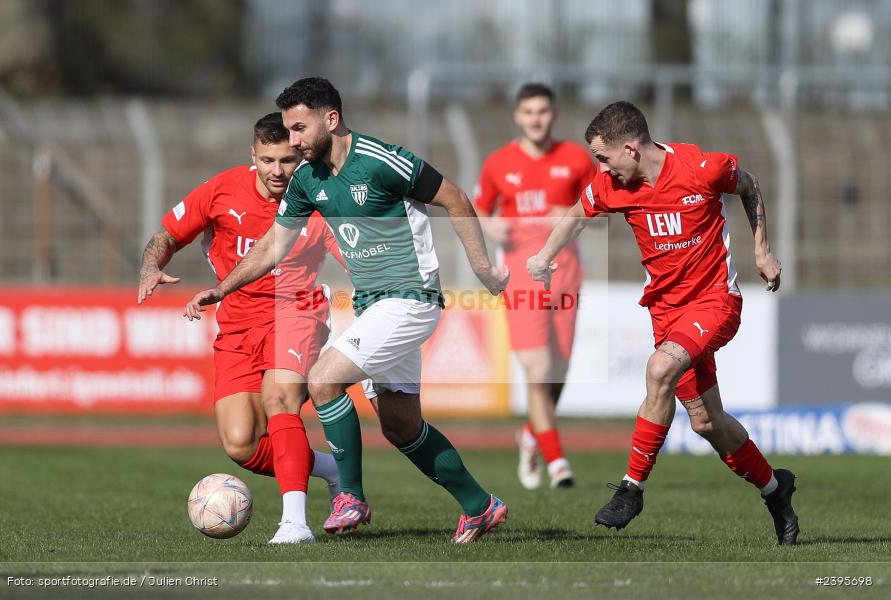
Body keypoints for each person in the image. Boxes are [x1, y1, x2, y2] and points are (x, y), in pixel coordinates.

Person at [184, 77, 511, 544]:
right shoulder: (306, 180)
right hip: (373, 306)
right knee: (401, 425)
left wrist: (483, 270)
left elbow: (454, 198)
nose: (293, 141)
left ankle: (349, 495)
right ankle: (480, 506)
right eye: (287, 131)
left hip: (411, 296)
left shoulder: (379, 160)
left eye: (299, 129)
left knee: (321, 378)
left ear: (331, 120)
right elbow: (273, 245)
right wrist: (224, 287)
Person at [527, 101, 799, 545]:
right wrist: (543, 256)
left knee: (658, 370)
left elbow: (750, 186)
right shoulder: (613, 185)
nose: (602, 168)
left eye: (604, 157)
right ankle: (776, 489)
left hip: (715, 303)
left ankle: (631, 488)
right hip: (667, 314)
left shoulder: (702, 167)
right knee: (708, 423)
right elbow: (577, 214)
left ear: (631, 148)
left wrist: (763, 250)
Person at [139, 112, 345, 545]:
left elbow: (353, 255)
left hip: (297, 313)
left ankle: (295, 523)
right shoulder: (221, 190)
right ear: (253, 155)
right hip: (236, 325)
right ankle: (333, 468)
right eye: (268, 160)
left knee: (280, 399)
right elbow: (167, 235)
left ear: (301, 156)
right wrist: (150, 266)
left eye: (288, 161)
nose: (277, 171)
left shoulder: (321, 198)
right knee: (240, 444)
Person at [474, 83, 595, 490]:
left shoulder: (577, 159)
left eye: (542, 111)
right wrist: (492, 225)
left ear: (553, 114)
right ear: (517, 116)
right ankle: (557, 461)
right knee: (539, 369)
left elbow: (599, 205)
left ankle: (531, 436)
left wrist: (575, 216)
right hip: (521, 276)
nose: (536, 119)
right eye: (528, 112)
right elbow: (479, 208)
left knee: (557, 372)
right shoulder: (498, 163)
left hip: (566, 272)